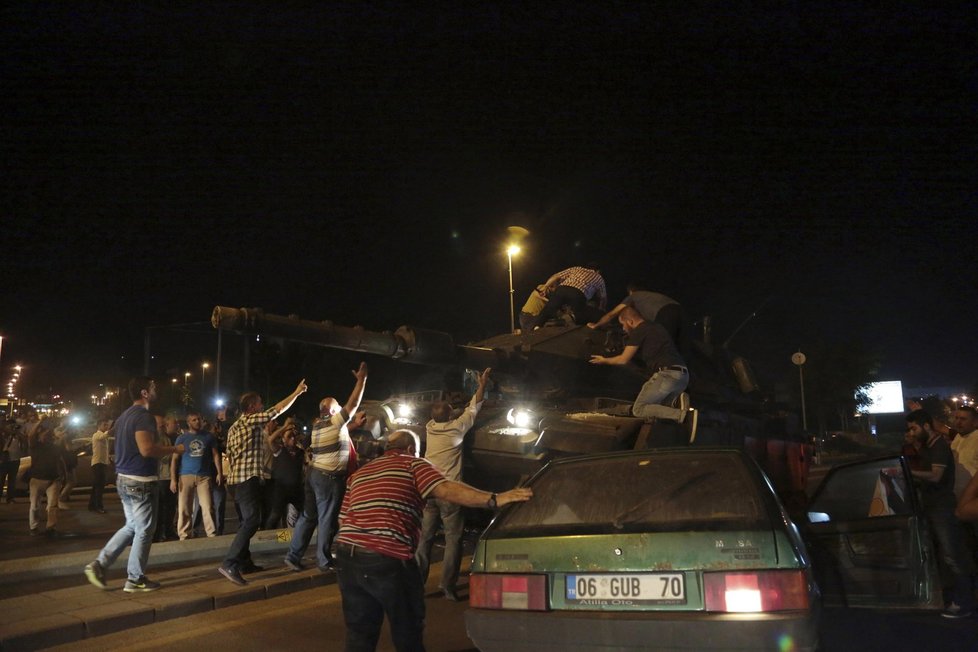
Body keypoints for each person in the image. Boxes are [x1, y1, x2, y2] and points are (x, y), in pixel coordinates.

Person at [335, 429, 533, 652]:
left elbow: (343, 520)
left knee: (359, 632)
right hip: (388, 556)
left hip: (347, 555)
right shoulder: (414, 464)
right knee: (408, 628)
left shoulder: (361, 473)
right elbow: (447, 489)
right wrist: (495, 499)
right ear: (411, 449)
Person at [84, 377, 185, 592]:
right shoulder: (143, 416)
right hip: (140, 481)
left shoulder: (123, 417)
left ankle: (100, 564)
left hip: (125, 478)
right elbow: (147, 449)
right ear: (145, 393)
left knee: (132, 526)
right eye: (153, 387)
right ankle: (135, 578)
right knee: (145, 530)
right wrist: (174, 450)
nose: (156, 389)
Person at [219, 378, 308, 585]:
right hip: (246, 479)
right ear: (251, 407)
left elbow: (231, 455)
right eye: (259, 403)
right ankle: (230, 563)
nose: (262, 406)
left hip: (235, 480)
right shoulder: (250, 420)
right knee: (252, 521)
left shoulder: (234, 428)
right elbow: (276, 410)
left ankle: (244, 562)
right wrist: (296, 393)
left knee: (245, 521)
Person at [415, 367, 491, 601]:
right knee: (452, 539)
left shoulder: (430, 426)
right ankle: (447, 586)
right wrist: (482, 384)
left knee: (424, 539)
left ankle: (416, 584)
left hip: (429, 491)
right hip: (450, 492)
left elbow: (447, 413)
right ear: (450, 416)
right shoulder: (458, 427)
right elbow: (473, 407)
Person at [285, 363, 367, 573]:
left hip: (314, 475)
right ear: (332, 411)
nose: (341, 411)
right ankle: (323, 560)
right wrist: (361, 380)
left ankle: (293, 556)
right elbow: (353, 403)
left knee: (307, 516)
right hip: (329, 479)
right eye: (338, 409)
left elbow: (339, 431)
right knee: (326, 519)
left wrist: (353, 426)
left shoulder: (318, 426)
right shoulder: (333, 421)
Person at [905, 409, 975, 618]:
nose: (911, 432)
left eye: (914, 428)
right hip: (934, 507)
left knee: (953, 555)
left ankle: (964, 603)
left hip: (943, 509)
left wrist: (908, 472)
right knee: (945, 555)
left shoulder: (939, 447)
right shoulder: (929, 446)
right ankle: (952, 596)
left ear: (926, 426)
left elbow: (936, 476)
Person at [589, 306, 692, 423]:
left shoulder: (639, 331)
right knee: (659, 411)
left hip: (667, 374)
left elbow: (623, 359)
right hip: (682, 376)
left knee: (639, 409)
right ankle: (676, 404)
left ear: (630, 321)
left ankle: (684, 415)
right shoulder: (656, 327)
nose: (623, 328)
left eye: (623, 324)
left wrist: (603, 360)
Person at [171, 412, 222, 539]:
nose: (197, 422)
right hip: (185, 475)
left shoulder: (208, 437)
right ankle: (184, 534)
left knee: (207, 506)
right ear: (188, 423)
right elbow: (175, 459)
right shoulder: (182, 438)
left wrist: (219, 473)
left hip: (204, 476)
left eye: (199, 419)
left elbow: (216, 455)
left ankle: (211, 533)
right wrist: (173, 479)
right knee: (184, 507)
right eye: (194, 420)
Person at [587, 284, 683, 344]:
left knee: (659, 343)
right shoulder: (651, 298)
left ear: (631, 292)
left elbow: (612, 314)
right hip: (682, 312)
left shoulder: (634, 296)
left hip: (665, 313)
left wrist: (596, 325)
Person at [530, 263, 607, 328]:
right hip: (578, 294)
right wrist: (601, 310)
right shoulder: (599, 277)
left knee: (548, 309)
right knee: (579, 314)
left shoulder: (577, 269)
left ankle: (537, 327)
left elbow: (556, 276)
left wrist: (546, 286)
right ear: (598, 271)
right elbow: (603, 298)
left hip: (562, 289)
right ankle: (571, 321)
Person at [263, 418, 305, 529]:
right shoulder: (280, 450)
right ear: (283, 439)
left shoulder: (300, 452)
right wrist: (285, 427)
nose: (292, 439)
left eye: (294, 436)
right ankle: (265, 539)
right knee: (275, 516)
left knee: (306, 513)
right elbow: (270, 440)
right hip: (281, 489)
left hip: (296, 489)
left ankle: (295, 537)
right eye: (289, 436)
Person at [28, 418, 66, 536]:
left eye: (49, 434)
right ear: (40, 435)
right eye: (45, 434)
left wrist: (63, 475)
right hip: (37, 479)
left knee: (52, 506)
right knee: (34, 506)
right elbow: (31, 434)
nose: (48, 436)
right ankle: (33, 526)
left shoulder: (55, 447)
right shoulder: (35, 445)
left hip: (53, 479)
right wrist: (39, 422)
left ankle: (51, 528)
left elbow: (60, 461)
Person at [154, 415, 181, 541]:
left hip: (170, 477)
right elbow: (159, 455)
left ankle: (168, 531)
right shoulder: (158, 438)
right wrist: (174, 452)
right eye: (161, 425)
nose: (176, 425)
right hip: (162, 477)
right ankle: (160, 533)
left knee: (170, 507)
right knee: (162, 507)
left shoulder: (172, 437)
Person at [950, 405, 978, 496]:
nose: (958, 422)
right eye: (957, 418)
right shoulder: (957, 437)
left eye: (963, 419)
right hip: (956, 494)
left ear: (975, 422)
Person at [88, 418, 112, 513]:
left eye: (107, 425)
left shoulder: (103, 436)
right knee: (99, 487)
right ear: (99, 426)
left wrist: (109, 461)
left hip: (102, 463)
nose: (106, 427)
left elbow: (105, 451)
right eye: (104, 425)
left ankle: (92, 505)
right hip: (98, 464)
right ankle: (98, 506)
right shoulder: (96, 435)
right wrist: (111, 430)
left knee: (97, 486)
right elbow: (104, 436)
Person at [0, 421, 26, 503]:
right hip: (3, 460)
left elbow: (25, 440)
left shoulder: (18, 436)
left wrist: (17, 432)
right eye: (10, 426)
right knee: (1, 479)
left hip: (15, 460)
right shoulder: (3, 435)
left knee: (12, 480)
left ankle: (10, 498)